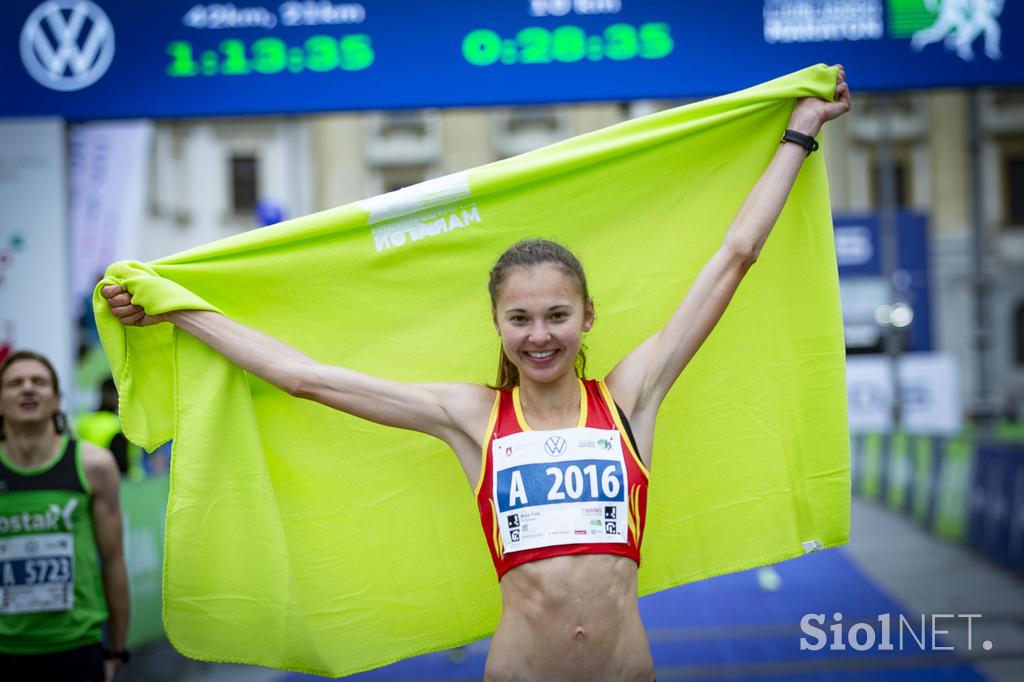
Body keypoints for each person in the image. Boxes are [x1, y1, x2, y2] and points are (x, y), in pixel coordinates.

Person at [102, 69, 851, 681]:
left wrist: (799, 133)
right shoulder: (471, 416)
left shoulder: (630, 396)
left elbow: (734, 259)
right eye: (520, 319)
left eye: (557, 315)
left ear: (588, 317)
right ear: (498, 327)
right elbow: (304, 377)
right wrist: (176, 311)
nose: (540, 335)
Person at [0, 351, 131, 682]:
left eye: (39, 382)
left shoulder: (93, 466)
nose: (28, 389)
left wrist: (115, 650)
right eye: (15, 383)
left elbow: (114, 561)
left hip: (77, 646)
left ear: (57, 399)